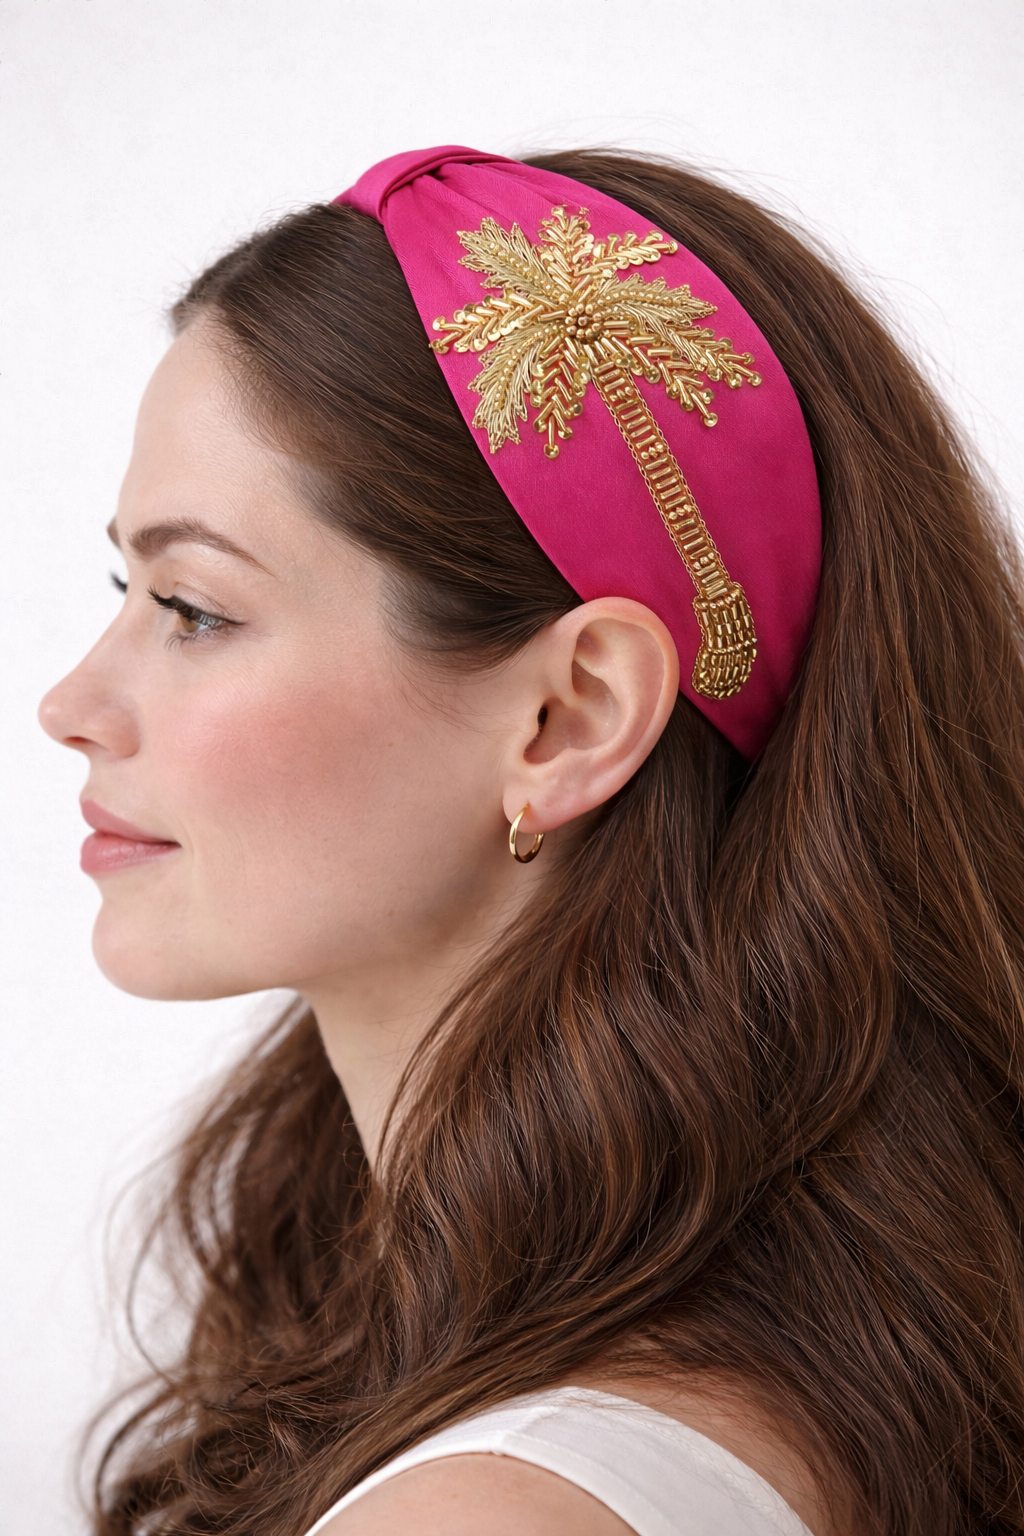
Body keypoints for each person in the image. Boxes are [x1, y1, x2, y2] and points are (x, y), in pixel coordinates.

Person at [38, 147, 1024, 1536]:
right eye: (122, 586)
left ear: (570, 718)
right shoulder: (806, 1374)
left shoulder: (492, 1509)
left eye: (193, 608)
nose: (70, 705)